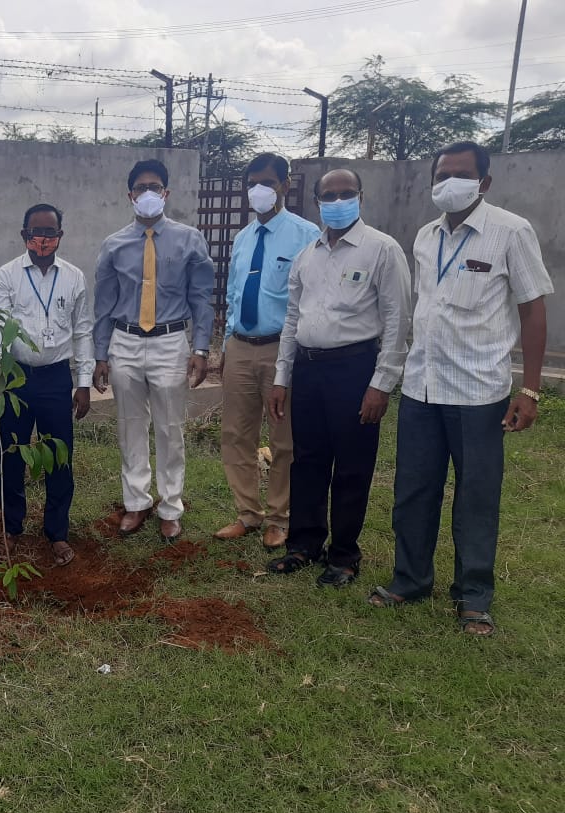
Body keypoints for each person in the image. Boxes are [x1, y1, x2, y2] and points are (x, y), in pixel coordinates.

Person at [370, 142, 553, 636]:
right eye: (442, 174)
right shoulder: (425, 237)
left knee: (475, 498)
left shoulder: (511, 232)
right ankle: (409, 580)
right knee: (413, 492)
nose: (449, 182)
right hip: (422, 389)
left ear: (484, 183)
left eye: (461, 174)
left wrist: (530, 389)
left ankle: (473, 596)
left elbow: (532, 308)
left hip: (478, 393)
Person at [267, 168, 410, 587]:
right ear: (317, 201)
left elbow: (397, 321)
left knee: (351, 466)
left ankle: (344, 555)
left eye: (346, 193)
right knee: (307, 459)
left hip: (354, 369)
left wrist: (381, 383)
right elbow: (292, 319)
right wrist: (281, 377)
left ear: (360, 197)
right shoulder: (307, 255)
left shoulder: (382, 250)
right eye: (329, 195)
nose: (338, 201)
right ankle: (304, 543)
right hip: (308, 369)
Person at [93, 158, 214, 541]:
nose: (148, 194)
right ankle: (136, 503)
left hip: (170, 340)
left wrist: (201, 349)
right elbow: (103, 304)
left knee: (170, 427)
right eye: (141, 188)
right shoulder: (113, 245)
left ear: (166, 193)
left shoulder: (189, 239)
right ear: (130, 195)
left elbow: (202, 298)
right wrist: (100, 355)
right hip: (125, 340)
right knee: (130, 426)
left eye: (155, 187)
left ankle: (171, 506)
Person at [215, 153, 319, 551]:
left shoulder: (306, 235)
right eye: (252, 183)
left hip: (282, 349)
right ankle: (247, 513)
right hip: (240, 347)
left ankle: (279, 518)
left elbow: (310, 298)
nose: (258, 190)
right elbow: (233, 294)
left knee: (284, 438)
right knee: (235, 434)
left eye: (267, 183)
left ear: (285, 186)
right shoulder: (243, 238)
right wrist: (226, 344)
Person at [0, 203, 94, 566]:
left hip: (55, 378)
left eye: (50, 233)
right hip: (15, 377)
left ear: (60, 236)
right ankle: (11, 528)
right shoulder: (7, 275)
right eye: (36, 232)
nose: (43, 239)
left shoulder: (74, 277)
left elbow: (82, 330)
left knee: (59, 457)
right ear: (24, 235)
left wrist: (82, 383)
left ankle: (57, 532)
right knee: (10, 454)